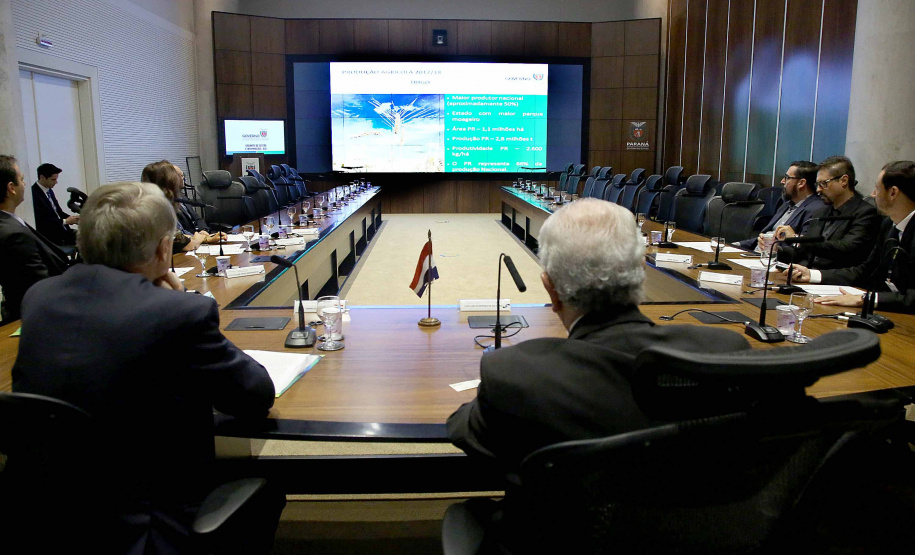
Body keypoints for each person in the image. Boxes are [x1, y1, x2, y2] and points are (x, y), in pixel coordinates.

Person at [12, 181, 283, 553]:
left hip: (42, 513)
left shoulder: (38, 297)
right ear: (162, 248)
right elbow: (254, 395)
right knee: (267, 486)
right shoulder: (178, 313)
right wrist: (181, 307)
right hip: (143, 525)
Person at [447, 198, 751, 472]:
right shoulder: (727, 355)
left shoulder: (517, 375)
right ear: (642, 271)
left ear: (551, 290)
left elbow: (464, 429)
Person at [786, 161, 915, 313]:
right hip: (888, 311)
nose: (873, 194)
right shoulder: (888, 225)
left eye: (878, 188)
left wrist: (865, 299)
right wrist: (812, 275)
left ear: (893, 192)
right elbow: (865, 271)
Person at [775, 155, 881, 269]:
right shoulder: (821, 210)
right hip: (805, 275)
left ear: (843, 181)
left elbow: (848, 249)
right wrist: (776, 250)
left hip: (834, 280)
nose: (818, 190)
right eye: (817, 185)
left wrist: (798, 239)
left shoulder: (865, 213)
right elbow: (805, 252)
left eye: (823, 184)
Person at [0, 155, 69, 323]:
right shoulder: (13, 235)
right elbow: (40, 287)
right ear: (11, 188)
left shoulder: (9, 221)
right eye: (21, 179)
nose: (25, 184)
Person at [735, 161, 823, 251]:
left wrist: (777, 250)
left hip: (777, 260)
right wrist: (735, 245)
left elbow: (805, 249)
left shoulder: (816, 209)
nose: (782, 181)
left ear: (801, 183)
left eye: (787, 178)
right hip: (756, 255)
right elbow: (766, 236)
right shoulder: (785, 205)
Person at [141, 160, 224, 253]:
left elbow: (182, 235)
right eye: (177, 177)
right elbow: (184, 243)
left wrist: (204, 238)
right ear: (170, 182)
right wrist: (197, 239)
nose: (181, 179)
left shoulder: (155, 203)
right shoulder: (158, 210)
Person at [31, 162, 79, 246]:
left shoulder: (49, 190)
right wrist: (65, 221)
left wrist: (73, 218)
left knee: (89, 237)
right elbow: (42, 222)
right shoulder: (33, 194)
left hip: (62, 230)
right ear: (42, 177)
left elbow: (58, 212)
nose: (56, 182)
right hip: (51, 236)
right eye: (53, 179)